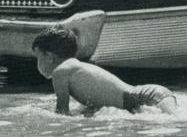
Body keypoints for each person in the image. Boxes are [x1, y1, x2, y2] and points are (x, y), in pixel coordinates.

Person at [31, 25, 176, 115]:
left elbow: (62, 113)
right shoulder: (74, 68)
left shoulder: (60, 72)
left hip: (147, 97)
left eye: (37, 57)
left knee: (177, 121)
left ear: (49, 56)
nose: (37, 63)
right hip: (153, 94)